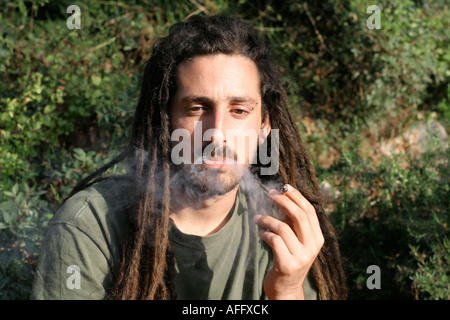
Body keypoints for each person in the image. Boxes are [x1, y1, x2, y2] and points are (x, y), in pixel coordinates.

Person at [31, 14, 347, 300]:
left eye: (239, 111)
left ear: (264, 126)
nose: (217, 133)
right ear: (164, 121)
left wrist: (287, 290)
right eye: (196, 108)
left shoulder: (286, 231)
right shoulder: (90, 226)